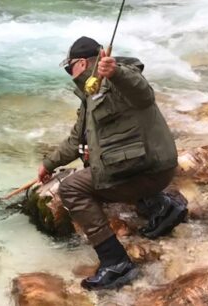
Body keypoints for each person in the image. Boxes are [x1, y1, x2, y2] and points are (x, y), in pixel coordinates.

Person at [39, 36, 186, 291]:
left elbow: (143, 94)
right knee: (96, 164)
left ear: (82, 64)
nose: (68, 73)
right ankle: (161, 208)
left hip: (149, 171)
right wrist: (48, 165)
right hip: (147, 168)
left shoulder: (118, 80)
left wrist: (116, 73)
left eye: (68, 67)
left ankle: (115, 262)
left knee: (72, 188)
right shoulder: (90, 94)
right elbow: (76, 139)